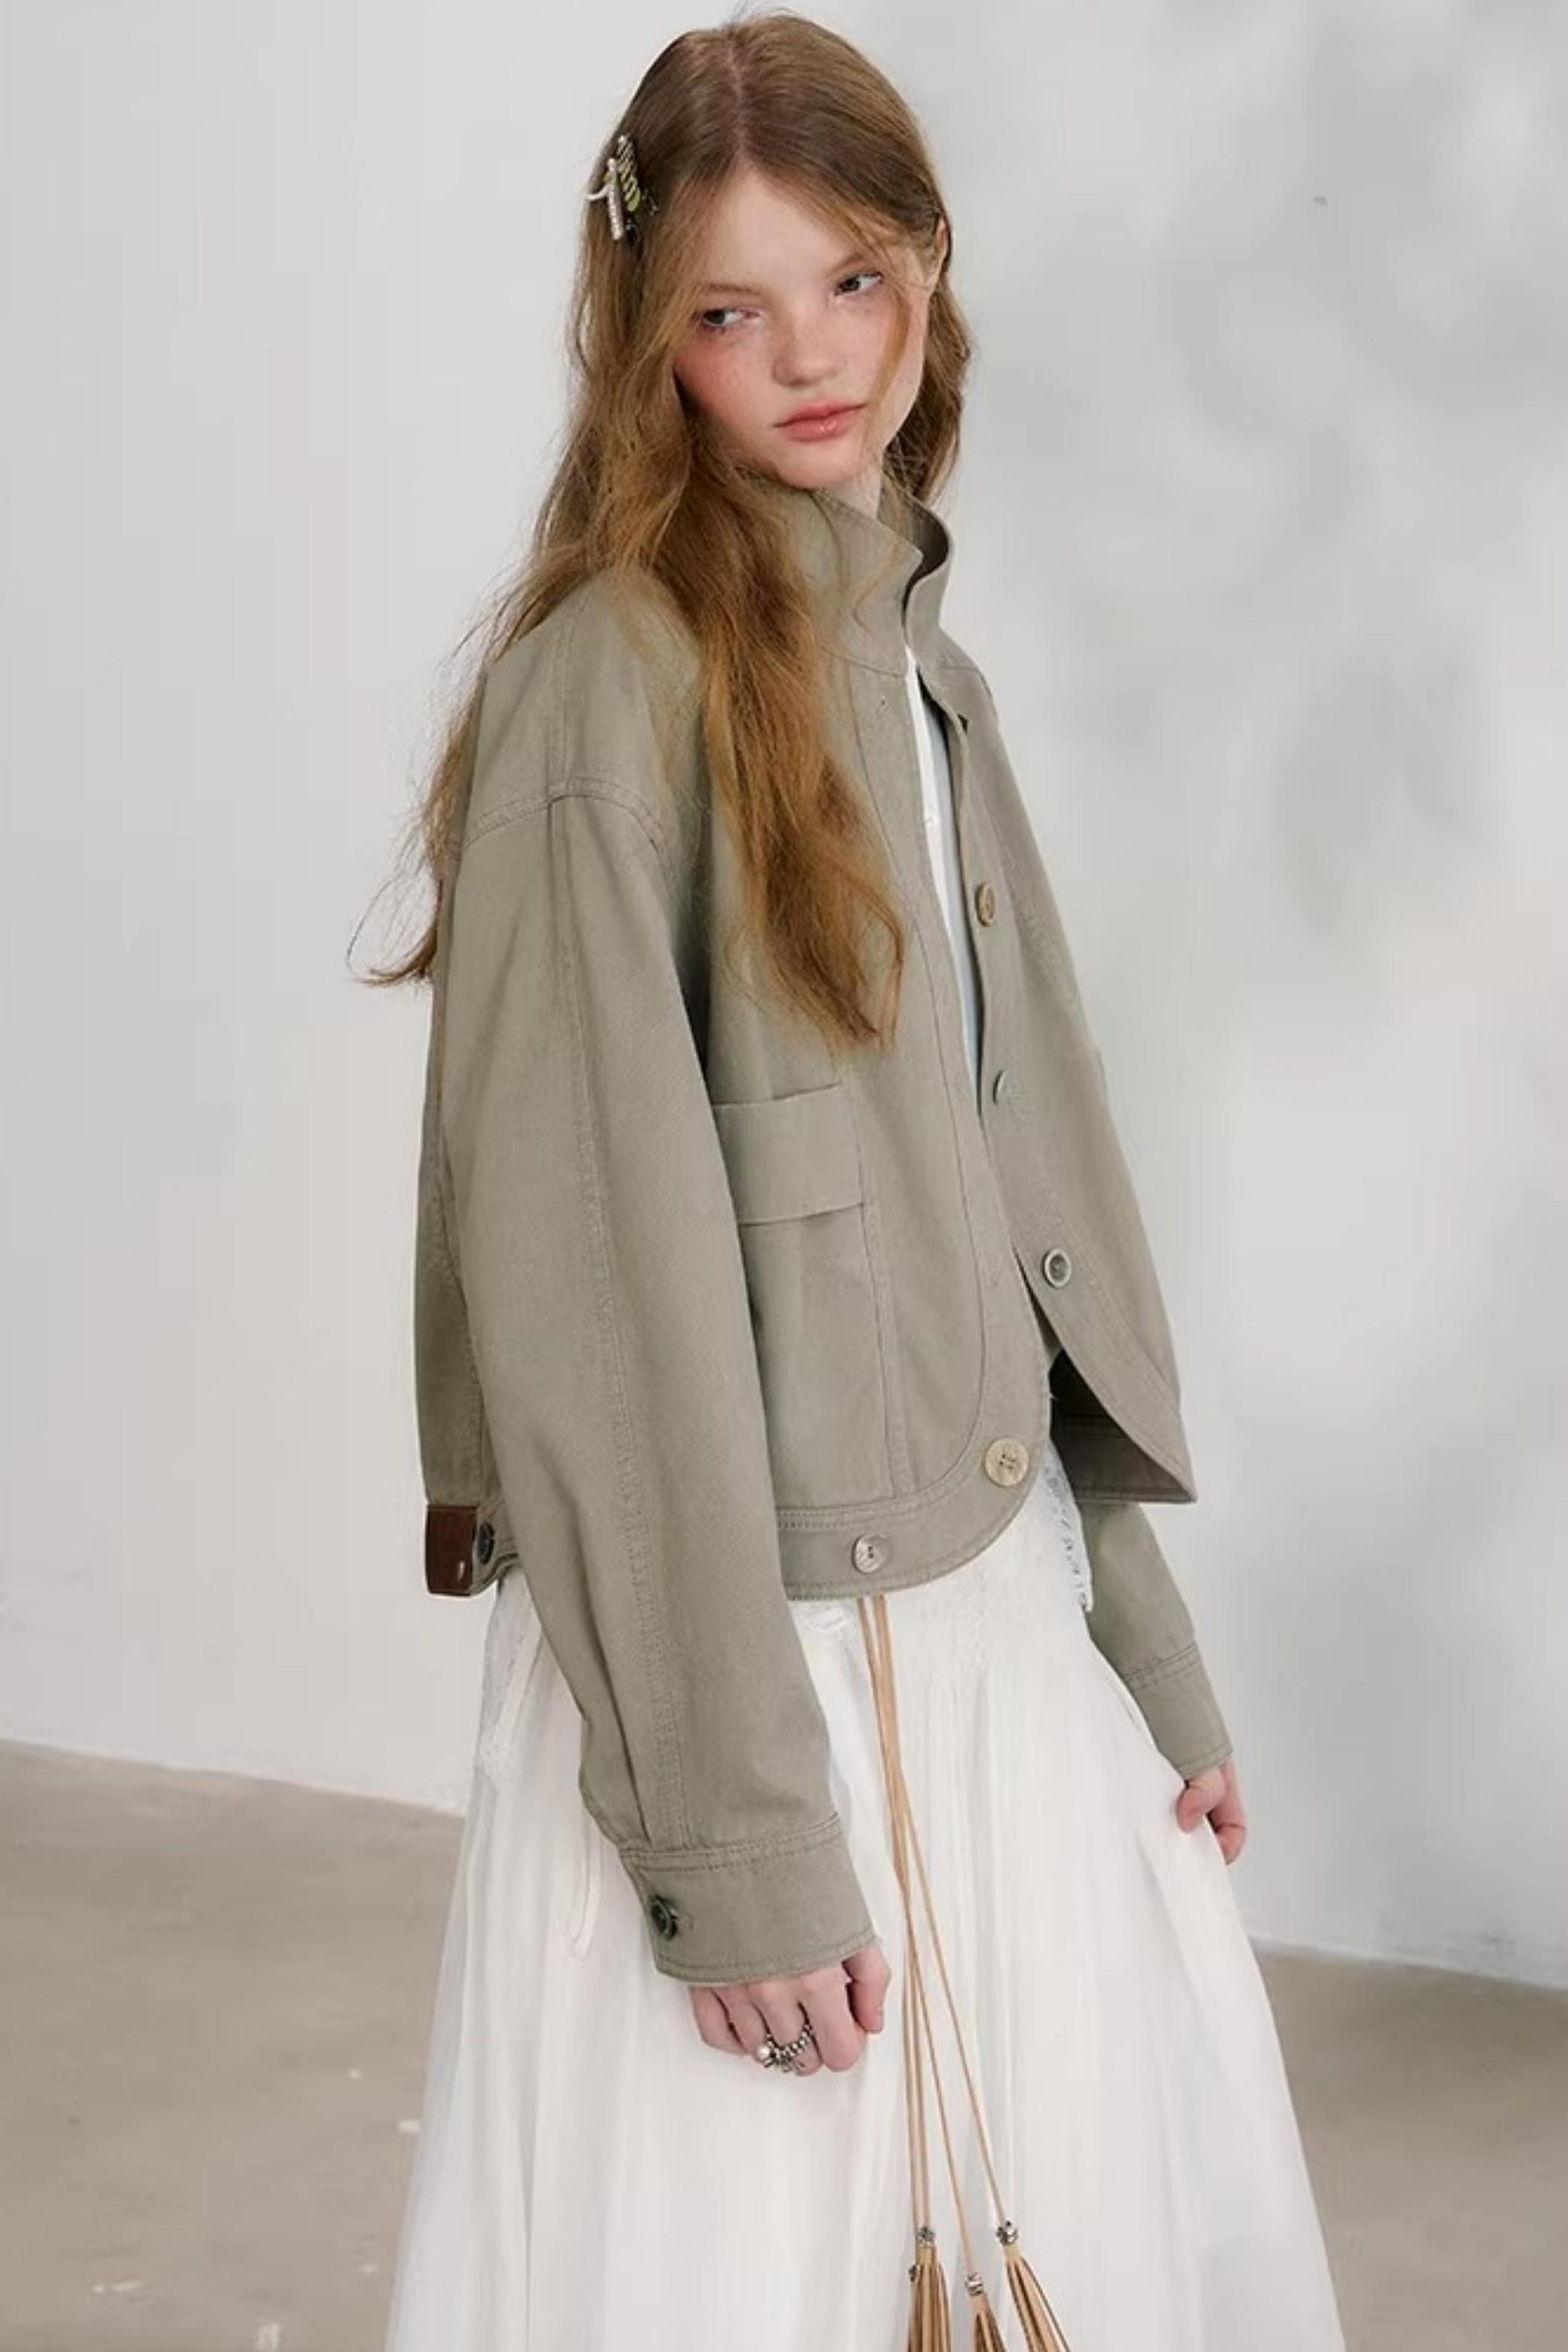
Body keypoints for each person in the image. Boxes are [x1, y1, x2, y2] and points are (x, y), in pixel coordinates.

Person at [369, 14, 1350, 2349]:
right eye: (729, 308)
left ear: (929, 275)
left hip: (987, 1640)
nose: (809, 357)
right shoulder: (606, 694)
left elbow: (995, 1228)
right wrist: (732, 1842)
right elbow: (595, 1302)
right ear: (646, 335)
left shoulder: (921, 670)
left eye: (851, 283)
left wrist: (1136, 1649)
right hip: (767, 1671)